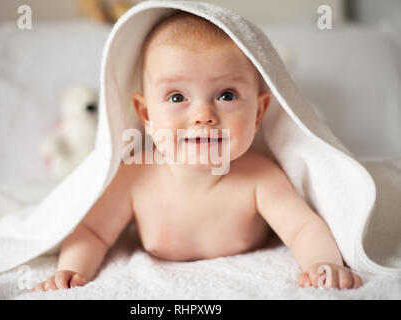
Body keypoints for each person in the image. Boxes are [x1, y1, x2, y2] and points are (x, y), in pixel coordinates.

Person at [32, 11, 362, 292]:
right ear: (146, 115)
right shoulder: (134, 175)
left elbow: (303, 227)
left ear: (258, 112)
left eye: (227, 95)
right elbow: (92, 231)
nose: (203, 115)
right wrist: (73, 269)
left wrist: (322, 263)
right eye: (177, 97)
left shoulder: (260, 177)